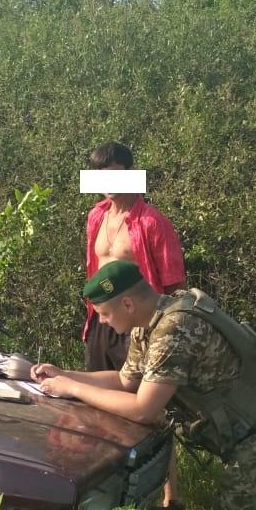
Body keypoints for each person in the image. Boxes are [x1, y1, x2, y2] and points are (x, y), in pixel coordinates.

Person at [33, 260, 256, 510]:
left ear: (127, 304)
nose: (102, 321)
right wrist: (64, 375)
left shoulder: (174, 329)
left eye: (104, 313)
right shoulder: (147, 322)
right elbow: (125, 381)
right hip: (250, 426)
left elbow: (143, 409)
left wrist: (74, 389)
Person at [84, 142, 185, 373]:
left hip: (138, 324)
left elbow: (175, 285)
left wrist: (165, 330)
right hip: (102, 320)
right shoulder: (95, 217)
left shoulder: (152, 222)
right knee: (95, 394)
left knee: (133, 397)